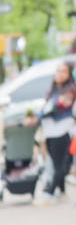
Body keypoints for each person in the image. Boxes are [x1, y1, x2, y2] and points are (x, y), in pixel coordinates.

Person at [34, 61, 76, 201]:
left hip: (62, 130)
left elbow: (57, 107)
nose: (59, 74)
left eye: (64, 71)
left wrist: (39, 116)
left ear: (69, 74)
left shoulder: (70, 90)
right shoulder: (53, 90)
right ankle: (61, 190)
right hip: (50, 130)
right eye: (58, 71)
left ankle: (49, 193)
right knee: (56, 160)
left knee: (60, 164)